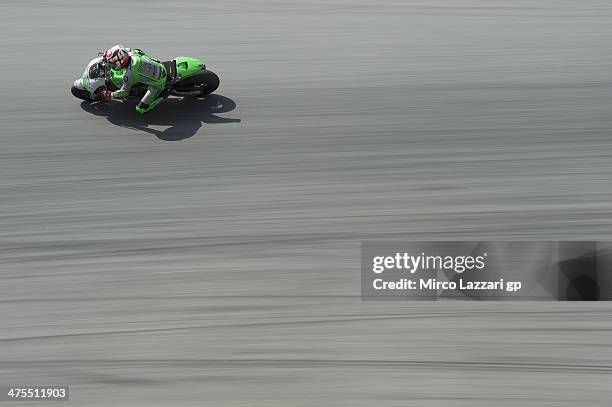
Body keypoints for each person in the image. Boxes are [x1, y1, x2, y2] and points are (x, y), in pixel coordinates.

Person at [99, 44, 167, 114]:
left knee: (140, 109)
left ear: (120, 62)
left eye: (114, 64)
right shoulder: (131, 53)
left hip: (159, 82)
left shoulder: (129, 75)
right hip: (159, 65)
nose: (113, 65)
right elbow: (140, 51)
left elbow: (123, 93)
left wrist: (110, 95)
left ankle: (162, 94)